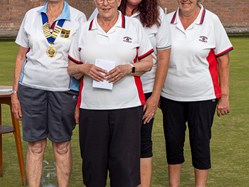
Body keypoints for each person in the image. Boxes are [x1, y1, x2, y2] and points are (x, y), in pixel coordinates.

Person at [67, 0, 153, 186]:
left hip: (127, 108)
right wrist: (84, 68)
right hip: (92, 109)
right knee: (93, 170)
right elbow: (71, 68)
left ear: (119, 1)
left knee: (125, 170)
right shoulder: (83, 29)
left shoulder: (133, 26)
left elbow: (148, 63)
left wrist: (128, 69)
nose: (106, 3)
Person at [11, 0, 86, 186]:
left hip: (63, 91)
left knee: (61, 146)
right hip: (31, 88)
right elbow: (21, 57)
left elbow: (82, 60)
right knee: (35, 145)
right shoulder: (31, 15)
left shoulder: (78, 18)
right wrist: (14, 93)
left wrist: (80, 101)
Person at [160, 0, 233, 186]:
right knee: (173, 143)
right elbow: (158, 59)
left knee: (200, 144)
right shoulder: (166, 21)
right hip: (170, 96)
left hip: (203, 96)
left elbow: (223, 60)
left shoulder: (212, 21)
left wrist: (224, 96)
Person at [119, 1, 171, 186]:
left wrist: (155, 96)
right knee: (117, 144)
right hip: (115, 90)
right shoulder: (107, 7)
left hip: (145, 90)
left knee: (142, 142)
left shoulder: (156, 14)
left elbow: (164, 56)